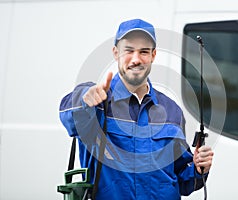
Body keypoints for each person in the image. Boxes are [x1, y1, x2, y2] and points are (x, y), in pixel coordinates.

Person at [59, 18, 214, 200]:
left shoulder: (172, 112)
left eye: (144, 52)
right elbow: (69, 116)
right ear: (116, 53)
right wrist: (85, 98)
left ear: (153, 55)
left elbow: (182, 180)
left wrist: (197, 169)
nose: (136, 59)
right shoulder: (96, 104)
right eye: (129, 51)